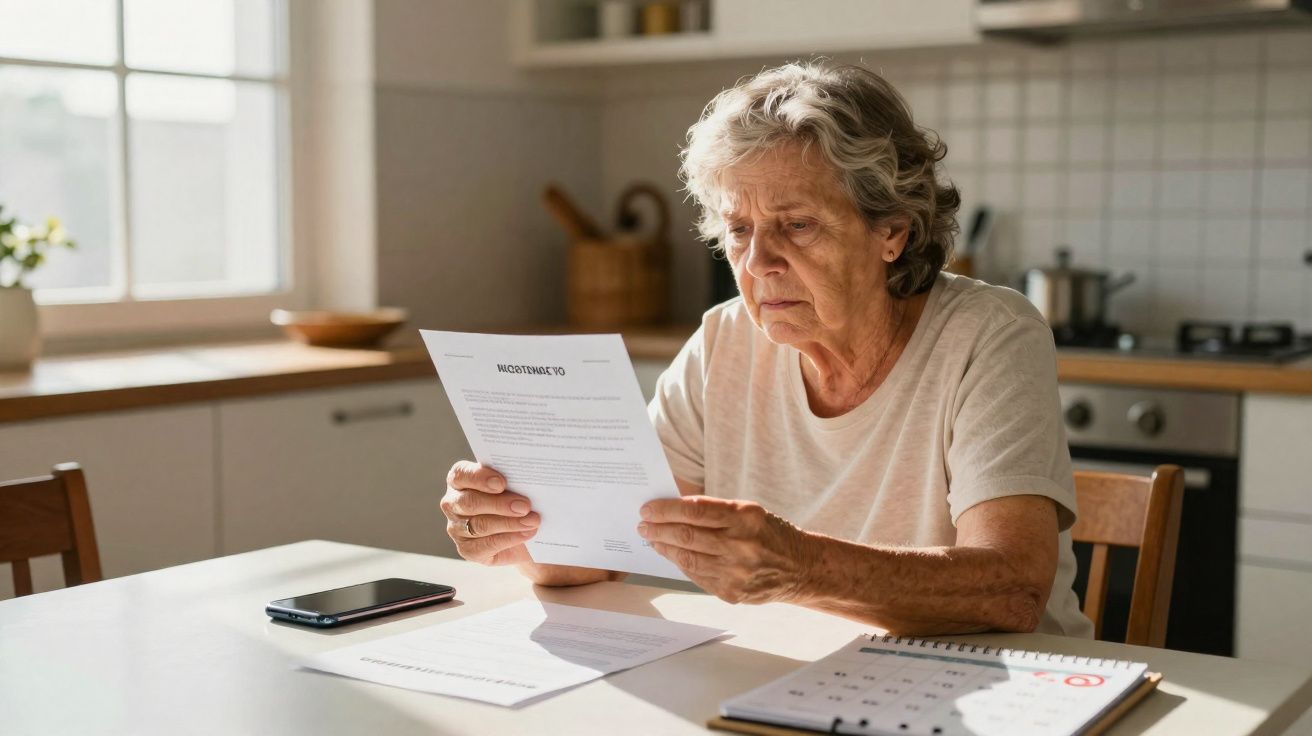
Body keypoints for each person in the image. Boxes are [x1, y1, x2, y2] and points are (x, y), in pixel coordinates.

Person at [441, 60, 1093, 638]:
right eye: (739, 229)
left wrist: (803, 568)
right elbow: (602, 548)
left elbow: (1012, 590)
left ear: (890, 231)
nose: (758, 263)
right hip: (798, 681)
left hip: (1000, 689)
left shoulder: (989, 334)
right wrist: (511, 531)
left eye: (798, 226)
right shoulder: (724, 341)